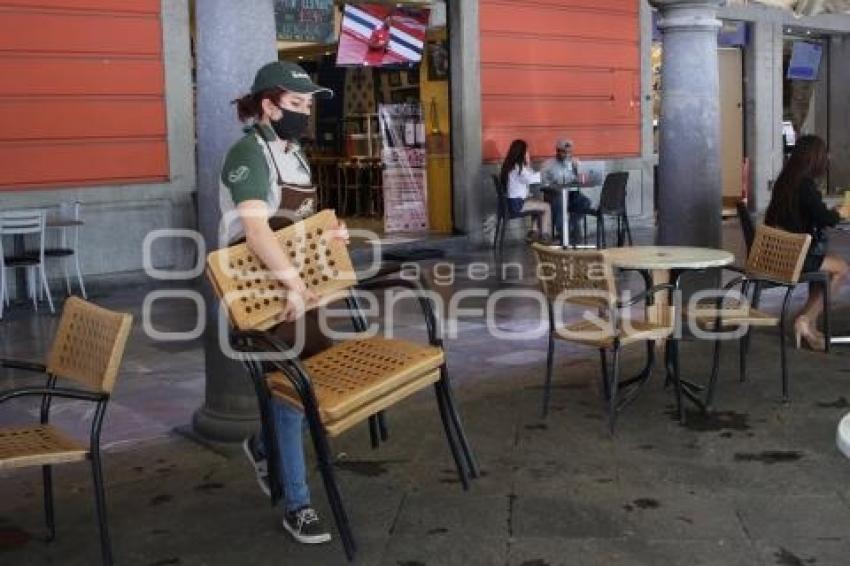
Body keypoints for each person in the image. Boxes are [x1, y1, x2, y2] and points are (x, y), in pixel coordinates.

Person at [220, 60, 346, 545]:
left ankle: (261, 445)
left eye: (308, 104)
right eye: (296, 104)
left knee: (300, 387)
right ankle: (298, 503)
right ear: (268, 106)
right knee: (293, 393)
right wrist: (293, 284)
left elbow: (296, 223)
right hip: (261, 293)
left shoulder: (294, 154)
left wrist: (327, 233)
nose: (305, 113)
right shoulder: (246, 155)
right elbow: (254, 231)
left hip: (300, 288)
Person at [764, 134, 850, 351]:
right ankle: (805, 319)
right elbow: (826, 218)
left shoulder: (786, 181)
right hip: (794, 255)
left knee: (824, 269)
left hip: (778, 251)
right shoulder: (805, 187)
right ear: (815, 159)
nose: (828, 157)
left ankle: (808, 324)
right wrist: (841, 211)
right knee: (841, 269)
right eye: (825, 154)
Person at [541, 139, 593, 242]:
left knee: (585, 202)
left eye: (569, 152)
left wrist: (577, 168)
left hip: (571, 195)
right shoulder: (548, 164)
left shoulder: (573, 163)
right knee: (560, 200)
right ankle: (563, 232)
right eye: (564, 152)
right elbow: (543, 184)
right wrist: (554, 186)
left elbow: (582, 180)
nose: (567, 155)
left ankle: (568, 228)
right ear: (557, 151)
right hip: (554, 195)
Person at [500, 139, 551, 241]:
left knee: (536, 203)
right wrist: (544, 171)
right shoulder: (518, 168)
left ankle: (533, 233)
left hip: (512, 203)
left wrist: (528, 165)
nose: (528, 153)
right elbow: (531, 179)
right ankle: (545, 237)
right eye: (527, 151)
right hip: (516, 205)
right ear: (521, 153)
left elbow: (528, 176)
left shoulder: (511, 165)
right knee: (546, 206)